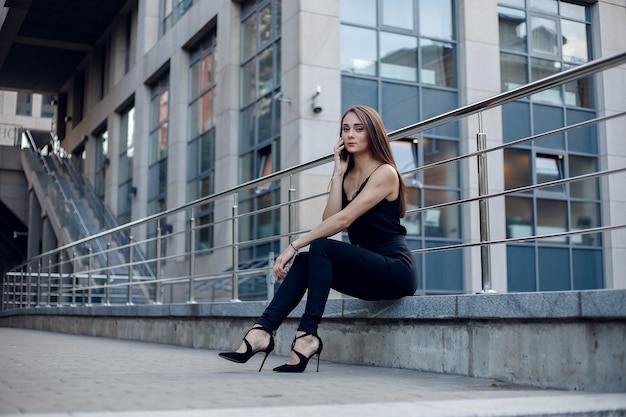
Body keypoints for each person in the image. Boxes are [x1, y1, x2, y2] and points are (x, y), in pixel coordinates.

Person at [219, 105, 418, 373]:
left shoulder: (385, 173)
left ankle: (307, 335)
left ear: (373, 134)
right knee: (306, 260)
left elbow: (343, 221)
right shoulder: (347, 175)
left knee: (315, 248)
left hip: (395, 269)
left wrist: (293, 244)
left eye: (359, 129)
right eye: (346, 129)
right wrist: (337, 175)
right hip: (368, 271)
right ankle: (262, 331)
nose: (350, 135)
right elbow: (330, 222)